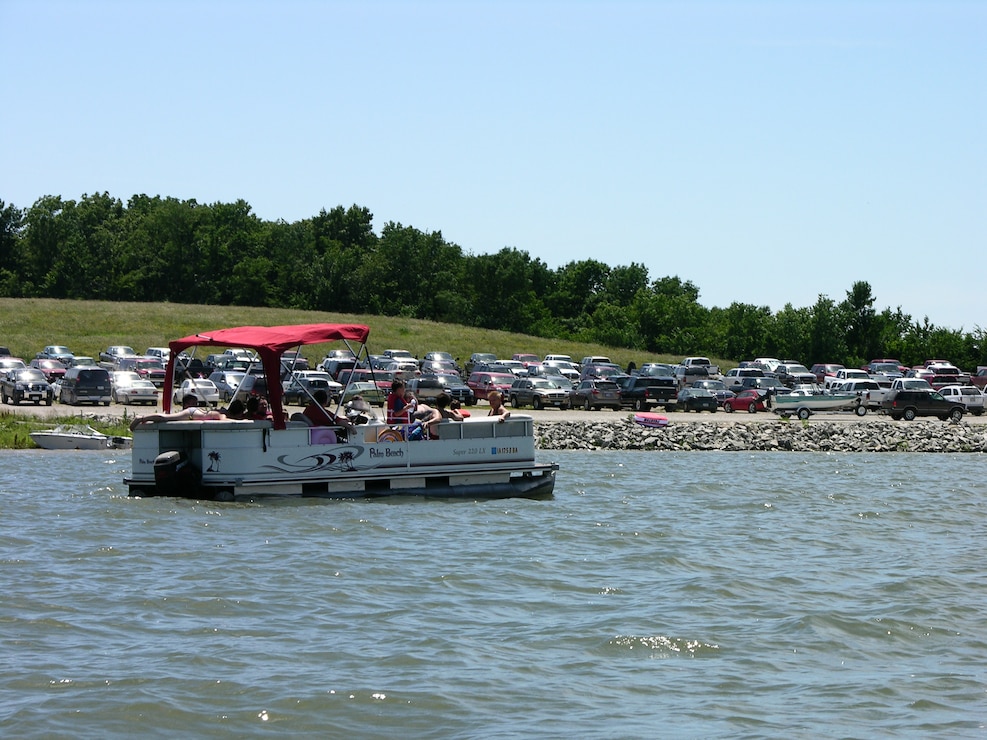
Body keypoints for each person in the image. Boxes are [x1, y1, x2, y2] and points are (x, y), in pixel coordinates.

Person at [130, 394, 225, 431]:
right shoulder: (188, 411)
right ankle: (142, 418)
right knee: (166, 418)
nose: (195, 405)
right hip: (192, 414)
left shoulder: (195, 410)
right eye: (193, 403)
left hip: (196, 415)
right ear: (186, 404)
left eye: (196, 403)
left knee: (166, 417)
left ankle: (143, 418)